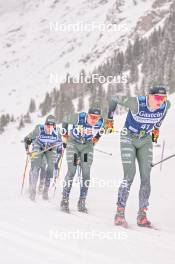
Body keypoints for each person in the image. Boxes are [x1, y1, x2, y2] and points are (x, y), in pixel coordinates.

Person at [106, 85, 170, 227]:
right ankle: (120, 212)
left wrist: (157, 127)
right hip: (128, 137)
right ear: (149, 96)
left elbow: (164, 111)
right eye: (158, 97)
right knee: (130, 174)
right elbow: (114, 98)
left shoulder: (165, 105)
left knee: (146, 176)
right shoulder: (136, 103)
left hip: (145, 139)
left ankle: (142, 214)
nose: (161, 101)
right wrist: (109, 118)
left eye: (163, 98)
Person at [60, 106, 104, 213]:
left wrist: (95, 140)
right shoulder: (79, 117)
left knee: (86, 172)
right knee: (72, 170)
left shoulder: (100, 121)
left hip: (86, 147)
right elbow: (65, 119)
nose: (94, 120)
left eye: (96, 118)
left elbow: (101, 131)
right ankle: (65, 199)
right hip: (74, 144)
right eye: (92, 117)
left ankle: (82, 201)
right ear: (88, 115)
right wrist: (65, 136)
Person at [24, 115, 63, 201]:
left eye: (51, 125)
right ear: (45, 124)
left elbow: (61, 144)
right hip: (39, 147)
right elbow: (27, 138)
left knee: (50, 168)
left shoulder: (57, 131)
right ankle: (32, 191)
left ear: (54, 126)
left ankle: (45, 191)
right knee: (35, 165)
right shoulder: (39, 129)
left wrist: (61, 149)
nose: (49, 127)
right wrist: (27, 144)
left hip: (51, 148)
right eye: (47, 125)